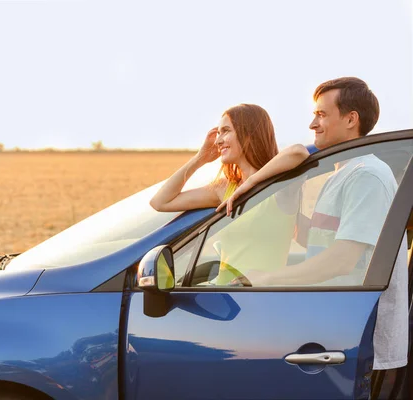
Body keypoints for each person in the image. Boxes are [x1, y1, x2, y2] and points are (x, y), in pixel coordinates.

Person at [219, 77, 408, 383]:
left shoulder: (367, 175)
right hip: (343, 333)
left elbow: (342, 260)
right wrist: (285, 204)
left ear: (350, 119)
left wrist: (267, 279)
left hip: (366, 348)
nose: (312, 124)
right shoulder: (339, 175)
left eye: (321, 114)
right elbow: (315, 239)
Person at [150, 103, 298, 285]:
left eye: (226, 131)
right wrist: (200, 158)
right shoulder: (225, 189)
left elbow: (298, 152)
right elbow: (160, 202)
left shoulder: (280, 185)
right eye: (218, 133)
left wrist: (252, 182)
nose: (218, 141)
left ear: (249, 135)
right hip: (225, 295)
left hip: (261, 297)